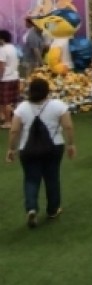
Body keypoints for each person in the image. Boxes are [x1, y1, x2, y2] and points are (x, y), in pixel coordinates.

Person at [6, 78, 75, 228]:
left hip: (28, 149)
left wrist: (11, 149)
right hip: (54, 147)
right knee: (52, 178)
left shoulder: (22, 107)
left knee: (31, 179)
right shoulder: (58, 105)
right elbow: (68, 126)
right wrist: (71, 144)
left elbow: (14, 130)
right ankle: (53, 209)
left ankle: (31, 208)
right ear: (47, 91)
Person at [0, 30, 20, 129]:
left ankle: (8, 122)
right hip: (14, 77)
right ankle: (9, 119)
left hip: (5, 78)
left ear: (2, 39)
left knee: (5, 102)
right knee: (12, 101)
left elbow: (1, 66)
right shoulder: (13, 48)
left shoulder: (2, 50)